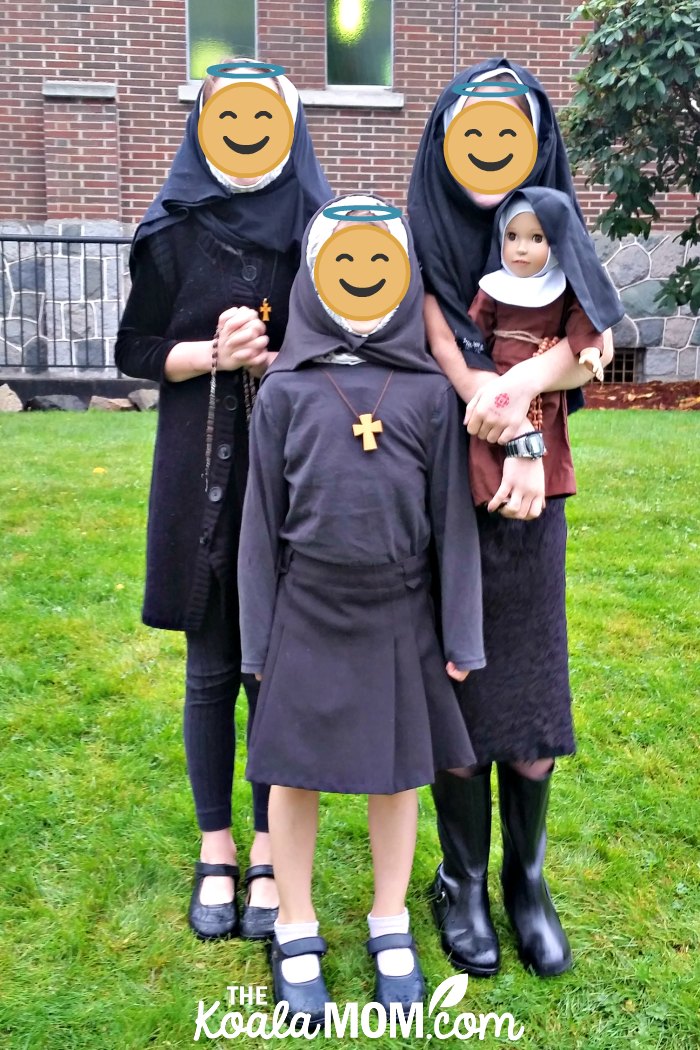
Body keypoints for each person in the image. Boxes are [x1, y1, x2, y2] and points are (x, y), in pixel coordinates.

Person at [237, 194, 485, 1022]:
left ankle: (389, 918)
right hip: (307, 607)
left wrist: (460, 631)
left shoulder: (424, 396)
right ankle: (296, 921)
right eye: (345, 263)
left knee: (396, 771)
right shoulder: (283, 392)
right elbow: (259, 530)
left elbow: (453, 523)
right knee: (292, 772)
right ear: (316, 276)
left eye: (381, 263)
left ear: (404, 274)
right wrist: (258, 638)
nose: (364, 277)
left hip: (398, 610)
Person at [408, 58, 619, 979]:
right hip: (444, 474)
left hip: (539, 485)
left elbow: (594, 346)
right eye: (475, 132)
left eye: (509, 133)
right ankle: (460, 879)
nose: (491, 152)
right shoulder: (422, 233)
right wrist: (486, 401)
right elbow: (432, 325)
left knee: (529, 679)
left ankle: (526, 882)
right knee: (457, 671)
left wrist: (526, 389)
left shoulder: (553, 228)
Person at [114, 59, 331, 942]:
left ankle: (276, 853)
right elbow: (133, 350)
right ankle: (217, 848)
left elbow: (341, 340)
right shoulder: (171, 230)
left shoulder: (318, 232)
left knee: (271, 668)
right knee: (210, 669)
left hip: (289, 473)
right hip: (198, 469)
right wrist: (211, 352)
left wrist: (284, 360)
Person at [468, 188, 622, 509]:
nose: (521, 248)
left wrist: (588, 350)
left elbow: (583, 320)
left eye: (536, 239)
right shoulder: (493, 286)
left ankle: (545, 489)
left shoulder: (563, 287)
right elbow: (474, 328)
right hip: (497, 372)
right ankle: (488, 492)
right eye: (512, 236)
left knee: (546, 431)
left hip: (544, 383)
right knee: (489, 436)